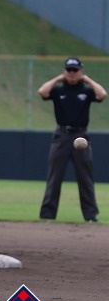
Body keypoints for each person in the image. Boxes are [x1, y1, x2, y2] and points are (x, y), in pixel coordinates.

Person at [38, 56, 107, 222]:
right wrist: (58, 79)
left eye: (75, 70)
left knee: (85, 178)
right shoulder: (58, 91)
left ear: (80, 72)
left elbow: (102, 94)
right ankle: (47, 215)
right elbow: (42, 92)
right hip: (62, 135)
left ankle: (90, 215)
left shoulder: (86, 91)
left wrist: (87, 80)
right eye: (69, 70)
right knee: (55, 177)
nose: (72, 73)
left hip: (81, 135)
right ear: (64, 71)